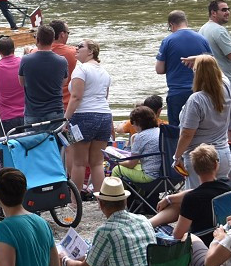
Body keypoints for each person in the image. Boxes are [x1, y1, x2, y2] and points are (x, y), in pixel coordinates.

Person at [149, 145, 231, 262]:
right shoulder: (228, 189)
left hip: (200, 244)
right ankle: (148, 223)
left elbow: (177, 235)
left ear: (194, 168)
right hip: (222, 239)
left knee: (160, 229)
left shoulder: (192, 199)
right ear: (216, 165)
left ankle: (148, 225)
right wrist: (169, 198)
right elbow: (200, 190)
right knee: (178, 202)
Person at [174, 54, 231, 187]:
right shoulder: (226, 87)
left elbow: (187, 134)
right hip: (223, 155)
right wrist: (204, 60)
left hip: (200, 158)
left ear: (196, 74)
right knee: (220, 199)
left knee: (198, 199)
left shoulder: (196, 100)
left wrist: (177, 157)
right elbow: (219, 72)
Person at [65, 39, 112, 197]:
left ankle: (74, 201)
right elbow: (105, 96)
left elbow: (76, 97)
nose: (76, 48)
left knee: (78, 162)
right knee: (97, 163)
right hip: (104, 116)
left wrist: (66, 119)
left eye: (81, 46)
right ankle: (103, 200)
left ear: (91, 51)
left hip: (83, 116)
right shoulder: (104, 72)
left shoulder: (81, 69)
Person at [199, 0, 231, 140]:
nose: (228, 12)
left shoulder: (204, 29)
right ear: (213, 13)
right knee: (230, 128)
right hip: (227, 85)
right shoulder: (220, 31)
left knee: (215, 126)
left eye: (228, 9)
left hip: (211, 83)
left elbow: (217, 51)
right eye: (224, 10)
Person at [156, 10, 211, 126]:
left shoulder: (168, 41)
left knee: (177, 131)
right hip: (200, 91)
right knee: (200, 127)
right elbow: (211, 63)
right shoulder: (202, 39)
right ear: (186, 22)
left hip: (177, 92)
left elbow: (159, 69)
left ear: (171, 25)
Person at [17, 25, 68, 125]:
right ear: (53, 40)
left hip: (33, 112)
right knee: (55, 140)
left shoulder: (26, 59)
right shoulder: (62, 61)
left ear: (37, 39)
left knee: (32, 140)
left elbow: (21, 82)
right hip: (55, 111)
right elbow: (63, 82)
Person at [0, 36, 26, 135]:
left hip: (7, 117)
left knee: (8, 148)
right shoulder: (23, 63)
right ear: (14, 48)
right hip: (26, 114)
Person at [111, 105, 161, 183]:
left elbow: (131, 164)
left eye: (132, 123)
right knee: (137, 167)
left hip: (150, 177)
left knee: (117, 169)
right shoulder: (160, 131)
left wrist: (116, 162)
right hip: (165, 174)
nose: (132, 125)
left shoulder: (140, 137)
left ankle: (116, 194)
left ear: (137, 122)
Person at [49, 20, 78, 112]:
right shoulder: (74, 52)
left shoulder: (35, 52)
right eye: (68, 33)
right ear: (62, 34)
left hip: (45, 105)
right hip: (67, 105)